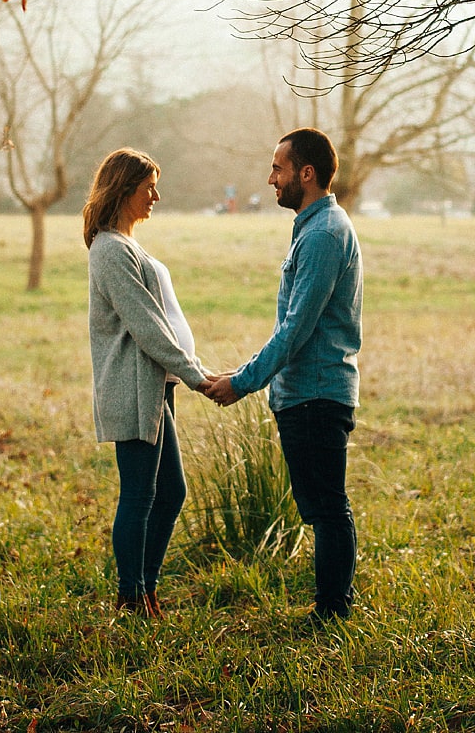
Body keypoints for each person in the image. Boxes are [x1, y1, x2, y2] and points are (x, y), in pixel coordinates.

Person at [201, 126, 364, 622]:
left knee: (327, 509)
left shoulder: (322, 236)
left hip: (316, 394)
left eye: (278, 168)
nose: (271, 178)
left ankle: (332, 612)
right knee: (322, 507)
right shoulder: (315, 229)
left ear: (306, 173)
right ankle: (332, 606)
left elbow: (295, 328)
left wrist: (243, 381)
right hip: (304, 392)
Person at [83, 147, 215, 617]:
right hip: (134, 388)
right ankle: (132, 596)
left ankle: (145, 588)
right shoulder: (110, 249)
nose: (156, 196)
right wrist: (197, 376)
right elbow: (147, 325)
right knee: (140, 494)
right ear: (124, 190)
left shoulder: (126, 245)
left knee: (171, 491)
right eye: (148, 187)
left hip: (156, 387)